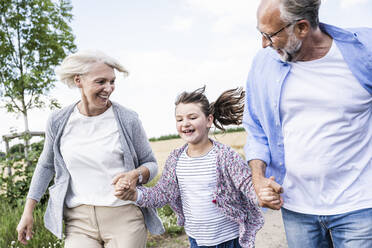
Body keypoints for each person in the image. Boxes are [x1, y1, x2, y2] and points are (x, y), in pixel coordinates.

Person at [243, 0, 372, 247]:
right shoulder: (264, 64)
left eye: (270, 35)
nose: (263, 44)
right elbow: (256, 128)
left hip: (360, 206)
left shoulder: (364, 51)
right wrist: (258, 179)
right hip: (297, 209)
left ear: (302, 28)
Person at [16, 51, 164, 248]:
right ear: (79, 80)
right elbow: (45, 166)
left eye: (112, 81)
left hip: (124, 218)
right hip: (79, 222)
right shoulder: (58, 121)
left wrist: (135, 175)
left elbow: (151, 163)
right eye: (101, 81)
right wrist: (28, 212)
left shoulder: (128, 119)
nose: (109, 88)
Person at [113, 86, 264, 248]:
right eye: (179, 119)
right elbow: (163, 193)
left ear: (208, 120)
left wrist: (262, 194)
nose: (185, 123)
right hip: (197, 241)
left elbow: (246, 183)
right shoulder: (176, 159)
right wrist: (135, 194)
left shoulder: (225, 156)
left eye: (192, 117)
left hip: (231, 240)